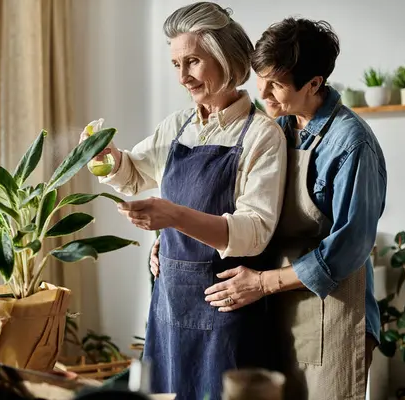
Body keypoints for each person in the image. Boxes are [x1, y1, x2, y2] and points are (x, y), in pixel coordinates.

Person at [150, 17, 388, 400]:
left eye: (276, 85)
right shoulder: (283, 125)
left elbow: (350, 247)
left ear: (314, 84)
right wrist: (174, 237)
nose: (264, 94)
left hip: (331, 310)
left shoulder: (350, 144)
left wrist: (261, 283)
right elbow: (251, 209)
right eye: (260, 80)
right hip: (273, 305)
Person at [80, 3, 287, 400]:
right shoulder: (177, 126)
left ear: (226, 59)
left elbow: (254, 233)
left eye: (192, 62)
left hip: (225, 305)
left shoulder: (262, 135)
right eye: (176, 64)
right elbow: (135, 173)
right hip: (170, 301)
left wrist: (173, 215)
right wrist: (108, 159)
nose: (182, 77)